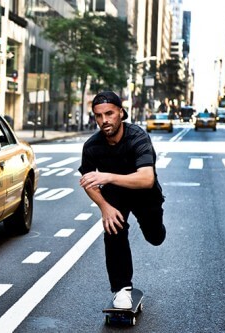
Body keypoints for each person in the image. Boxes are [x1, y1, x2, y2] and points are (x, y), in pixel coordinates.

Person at [78, 91, 166, 309]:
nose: (104, 120)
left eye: (109, 113)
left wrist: (107, 176)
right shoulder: (91, 146)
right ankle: (122, 289)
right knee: (113, 228)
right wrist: (104, 207)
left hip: (144, 194)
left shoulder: (137, 137)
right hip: (115, 196)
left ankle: (155, 227)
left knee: (156, 237)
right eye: (99, 116)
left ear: (121, 112)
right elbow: (87, 181)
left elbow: (146, 179)